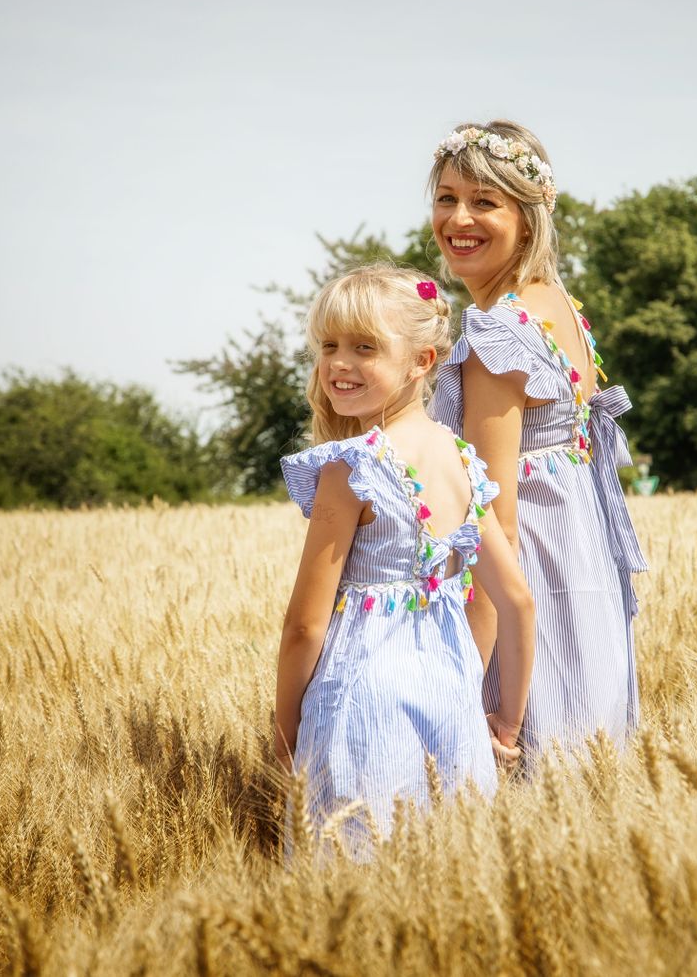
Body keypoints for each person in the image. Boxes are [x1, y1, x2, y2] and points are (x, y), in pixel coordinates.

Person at [275, 263, 536, 845]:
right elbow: (517, 602)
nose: (339, 363)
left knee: (351, 882)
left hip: (361, 706)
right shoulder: (464, 462)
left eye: (364, 347)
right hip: (454, 703)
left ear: (421, 362)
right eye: (329, 345)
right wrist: (507, 728)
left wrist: (283, 739)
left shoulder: (352, 468)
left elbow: (304, 627)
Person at [426, 121, 648, 756]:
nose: (458, 217)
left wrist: (469, 679)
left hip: (536, 591)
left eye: (484, 201)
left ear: (528, 216)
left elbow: (494, 524)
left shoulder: (499, 333)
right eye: (446, 197)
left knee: (529, 767)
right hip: (585, 573)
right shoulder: (557, 304)